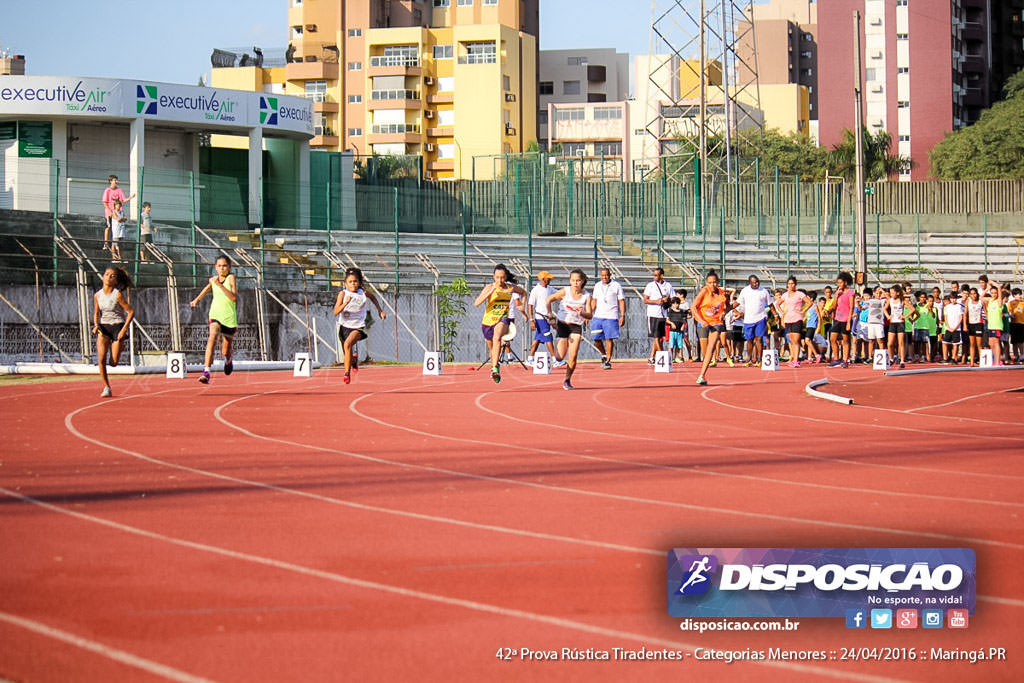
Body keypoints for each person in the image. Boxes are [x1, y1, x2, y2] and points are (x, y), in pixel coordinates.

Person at [474, 264, 529, 384]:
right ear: (494, 277)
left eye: (503, 277)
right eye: (498, 277)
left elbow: (524, 292)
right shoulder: (489, 287)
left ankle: (494, 368)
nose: (500, 280)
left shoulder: (510, 288)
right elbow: (476, 303)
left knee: (497, 337)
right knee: (492, 349)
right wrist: (489, 293)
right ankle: (495, 367)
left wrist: (522, 305)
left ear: (506, 277)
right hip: (488, 322)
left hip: (503, 319)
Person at [190, 255, 238, 384]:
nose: (222, 268)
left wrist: (219, 285)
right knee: (212, 338)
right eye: (219, 266)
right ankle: (206, 371)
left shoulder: (231, 278)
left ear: (229, 267)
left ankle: (228, 360)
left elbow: (233, 298)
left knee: (225, 349)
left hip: (228, 317)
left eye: (225, 266)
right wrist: (196, 300)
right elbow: (207, 288)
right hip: (215, 314)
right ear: (215, 267)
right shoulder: (214, 280)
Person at [333, 267, 386, 384]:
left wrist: (380, 310)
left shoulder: (363, 293)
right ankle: (353, 361)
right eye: (350, 282)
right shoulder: (342, 294)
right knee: (347, 351)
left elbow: (373, 298)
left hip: (358, 326)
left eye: (355, 281)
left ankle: (347, 374)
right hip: (344, 327)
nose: (353, 284)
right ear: (345, 284)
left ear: (359, 282)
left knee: (348, 344)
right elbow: (335, 312)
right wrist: (345, 303)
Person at [92, 266, 134, 397]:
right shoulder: (97, 295)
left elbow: (131, 312)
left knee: (113, 363)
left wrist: (124, 329)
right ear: (103, 277)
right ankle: (106, 387)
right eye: (106, 274)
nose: (109, 277)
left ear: (116, 281)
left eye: (112, 276)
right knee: (101, 358)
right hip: (104, 328)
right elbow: (97, 312)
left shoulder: (118, 295)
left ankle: (118, 349)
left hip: (117, 327)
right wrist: (96, 325)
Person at [546, 269, 592, 390]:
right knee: (559, 357)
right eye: (573, 280)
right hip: (562, 325)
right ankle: (559, 345)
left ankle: (567, 380)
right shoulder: (565, 291)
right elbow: (548, 299)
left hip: (576, 326)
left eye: (578, 280)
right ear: (570, 281)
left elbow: (590, 315)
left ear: (582, 281)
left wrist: (582, 313)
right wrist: (550, 315)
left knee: (573, 356)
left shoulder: (586, 296)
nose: (575, 283)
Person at [692, 270, 732, 386]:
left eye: (714, 282)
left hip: (716, 323)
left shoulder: (722, 293)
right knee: (705, 352)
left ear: (718, 282)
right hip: (703, 322)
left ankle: (701, 375)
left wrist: (724, 312)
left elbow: (728, 306)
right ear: (706, 283)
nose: (712, 285)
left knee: (711, 348)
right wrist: (701, 320)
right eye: (710, 282)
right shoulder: (704, 291)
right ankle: (703, 371)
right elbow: (693, 307)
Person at [589, 267, 626, 369]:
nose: (604, 277)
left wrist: (622, 316)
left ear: (610, 275)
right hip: (598, 316)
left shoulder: (616, 285)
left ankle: (608, 360)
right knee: (596, 339)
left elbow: (621, 301)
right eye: (602, 275)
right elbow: (594, 301)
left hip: (611, 316)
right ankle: (603, 354)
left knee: (609, 339)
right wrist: (589, 313)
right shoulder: (597, 286)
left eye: (606, 275)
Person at [737, 274, 772, 367]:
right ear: (750, 283)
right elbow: (738, 302)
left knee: (759, 339)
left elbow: (770, 304)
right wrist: (728, 309)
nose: (756, 284)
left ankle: (759, 359)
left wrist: (776, 314)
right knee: (749, 340)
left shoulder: (764, 291)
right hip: (748, 319)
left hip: (761, 318)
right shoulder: (745, 291)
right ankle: (749, 358)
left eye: (757, 282)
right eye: (754, 282)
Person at [778, 276, 813, 368]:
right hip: (788, 319)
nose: (791, 285)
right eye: (789, 284)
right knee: (791, 341)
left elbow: (810, 302)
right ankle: (793, 358)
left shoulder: (799, 294)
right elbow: (778, 304)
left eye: (792, 283)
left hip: (797, 318)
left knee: (796, 340)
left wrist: (803, 311)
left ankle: (796, 360)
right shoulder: (785, 295)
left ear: (795, 284)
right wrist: (782, 312)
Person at [643, 268, 675, 364]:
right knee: (656, 337)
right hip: (653, 314)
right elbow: (645, 300)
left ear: (662, 275)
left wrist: (667, 300)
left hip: (663, 315)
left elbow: (674, 298)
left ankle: (652, 357)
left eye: (657, 275)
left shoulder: (668, 285)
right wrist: (656, 301)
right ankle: (662, 355)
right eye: (654, 275)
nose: (655, 277)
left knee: (660, 337)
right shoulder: (650, 286)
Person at [527, 270, 558, 363]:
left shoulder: (549, 288)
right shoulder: (535, 290)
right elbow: (530, 305)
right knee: (548, 337)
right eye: (548, 278)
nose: (550, 280)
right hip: (540, 318)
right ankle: (554, 360)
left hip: (547, 317)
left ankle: (530, 358)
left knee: (537, 339)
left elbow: (558, 293)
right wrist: (531, 320)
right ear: (543, 279)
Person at [828, 272, 856, 368]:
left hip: (846, 319)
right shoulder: (837, 293)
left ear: (845, 282)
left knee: (845, 340)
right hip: (837, 318)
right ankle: (836, 358)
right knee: (832, 339)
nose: (839, 285)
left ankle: (845, 359)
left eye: (841, 282)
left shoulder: (850, 293)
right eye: (838, 283)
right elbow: (834, 306)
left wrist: (849, 322)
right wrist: (836, 295)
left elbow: (851, 307)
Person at [100, 175, 134, 252]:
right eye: (115, 180)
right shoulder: (107, 190)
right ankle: (106, 243)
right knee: (109, 227)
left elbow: (123, 200)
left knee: (117, 228)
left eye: (116, 180)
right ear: (111, 181)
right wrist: (110, 211)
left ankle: (115, 244)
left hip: (118, 213)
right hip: (110, 213)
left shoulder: (119, 190)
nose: (116, 182)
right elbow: (104, 202)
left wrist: (130, 197)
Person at [982, 281, 1004, 366]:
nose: (994, 294)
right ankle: (996, 359)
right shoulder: (990, 301)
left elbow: (999, 287)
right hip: (990, 325)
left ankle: (998, 362)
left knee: (996, 342)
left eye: (995, 293)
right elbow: (981, 297)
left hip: (997, 325)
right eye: (992, 293)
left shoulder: (999, 301)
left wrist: (993, 284)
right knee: (991, 343)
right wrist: (987, 289)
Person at [863, 287, 887, 358]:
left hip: (879, 323)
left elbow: (888, 298)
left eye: (880, 293)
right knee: (871, 340)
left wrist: (882, 291)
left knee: (880, 340)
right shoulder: (870, 301)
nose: (878, 295)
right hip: (871, 323)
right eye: (877, 293)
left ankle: (882, 357)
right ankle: (870, 357)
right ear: (873, 293)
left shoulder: (883, 301)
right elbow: (862, 307)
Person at [964, 287, 985, 365]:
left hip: (979, 324)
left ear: (977, 294)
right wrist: (965, 325)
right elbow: (965, 314)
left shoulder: (980, 302)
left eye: (975, 293)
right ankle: (972, 362)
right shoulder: (968, 302)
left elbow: (985, 312)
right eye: (972, 294)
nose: (974, 295)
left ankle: (981, 362)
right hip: (971, 324)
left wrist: (986, 321)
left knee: (979, 344)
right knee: (972, 344)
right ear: (969, 295)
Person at [940, 294, 963, 364]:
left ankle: (953, 358)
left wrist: (955, 327)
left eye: (955, 298)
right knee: (945, 342)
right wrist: (949, 327)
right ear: (950, 299)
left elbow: (960, 318)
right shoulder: (947, 307)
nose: (953, 300)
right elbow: (946, 317)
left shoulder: (959, 307)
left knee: (955, 344)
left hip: (956, 329)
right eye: (952, 298)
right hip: (948, 328)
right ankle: (945, 358)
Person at [666, 296, 689, 362]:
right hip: (672, 331)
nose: (675, 305)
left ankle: (679, 357)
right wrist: (672, 323)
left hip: (679, 331)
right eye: (674, 303)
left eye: (677, 303)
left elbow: (684, 321)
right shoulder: (670, 311)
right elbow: (667, 320)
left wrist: (682, 326)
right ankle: (670, 358)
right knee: (671, 345)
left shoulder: (681, 312)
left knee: (679, 345)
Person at [1008, 288, 1024, 364]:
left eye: (1020, 294)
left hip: (1021, 324)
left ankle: (1022, 355)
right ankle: (1016, 356)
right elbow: (1009, 312)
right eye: (1018, 294)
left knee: (1021, 341)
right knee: (1014, 341)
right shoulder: (1011, 303)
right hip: (1014, 323)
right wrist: (1011, 315)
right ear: (1014, 295)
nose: (1020, 296)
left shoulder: (1023, 303)